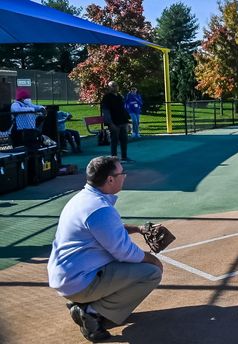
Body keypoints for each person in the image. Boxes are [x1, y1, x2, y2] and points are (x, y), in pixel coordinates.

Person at [47, 156, 163, 341]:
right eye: (122, 173)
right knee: (151, 272)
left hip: (70, 276)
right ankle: (92, 312)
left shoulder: (84, 199)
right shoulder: (100, 209)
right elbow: (124, 252)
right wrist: (153, 259)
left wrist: (138, 229)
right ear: (110, 179)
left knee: (128, 264)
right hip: (79, 282)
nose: (124, 176)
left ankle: (89, 304)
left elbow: (106, 231)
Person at [101, 81, 132, 162]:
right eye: (113, 86)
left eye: (116, 85)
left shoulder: (119, 96)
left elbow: (123, 110)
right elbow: (106, 111)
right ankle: (114, 159)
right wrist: (110, 123)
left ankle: (124, 157)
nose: (115, 87)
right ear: (109, 87)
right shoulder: (107, 97)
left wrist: (127, 122)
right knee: (114, 141)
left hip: (122, 122)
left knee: (124, 140)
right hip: (114, 123)